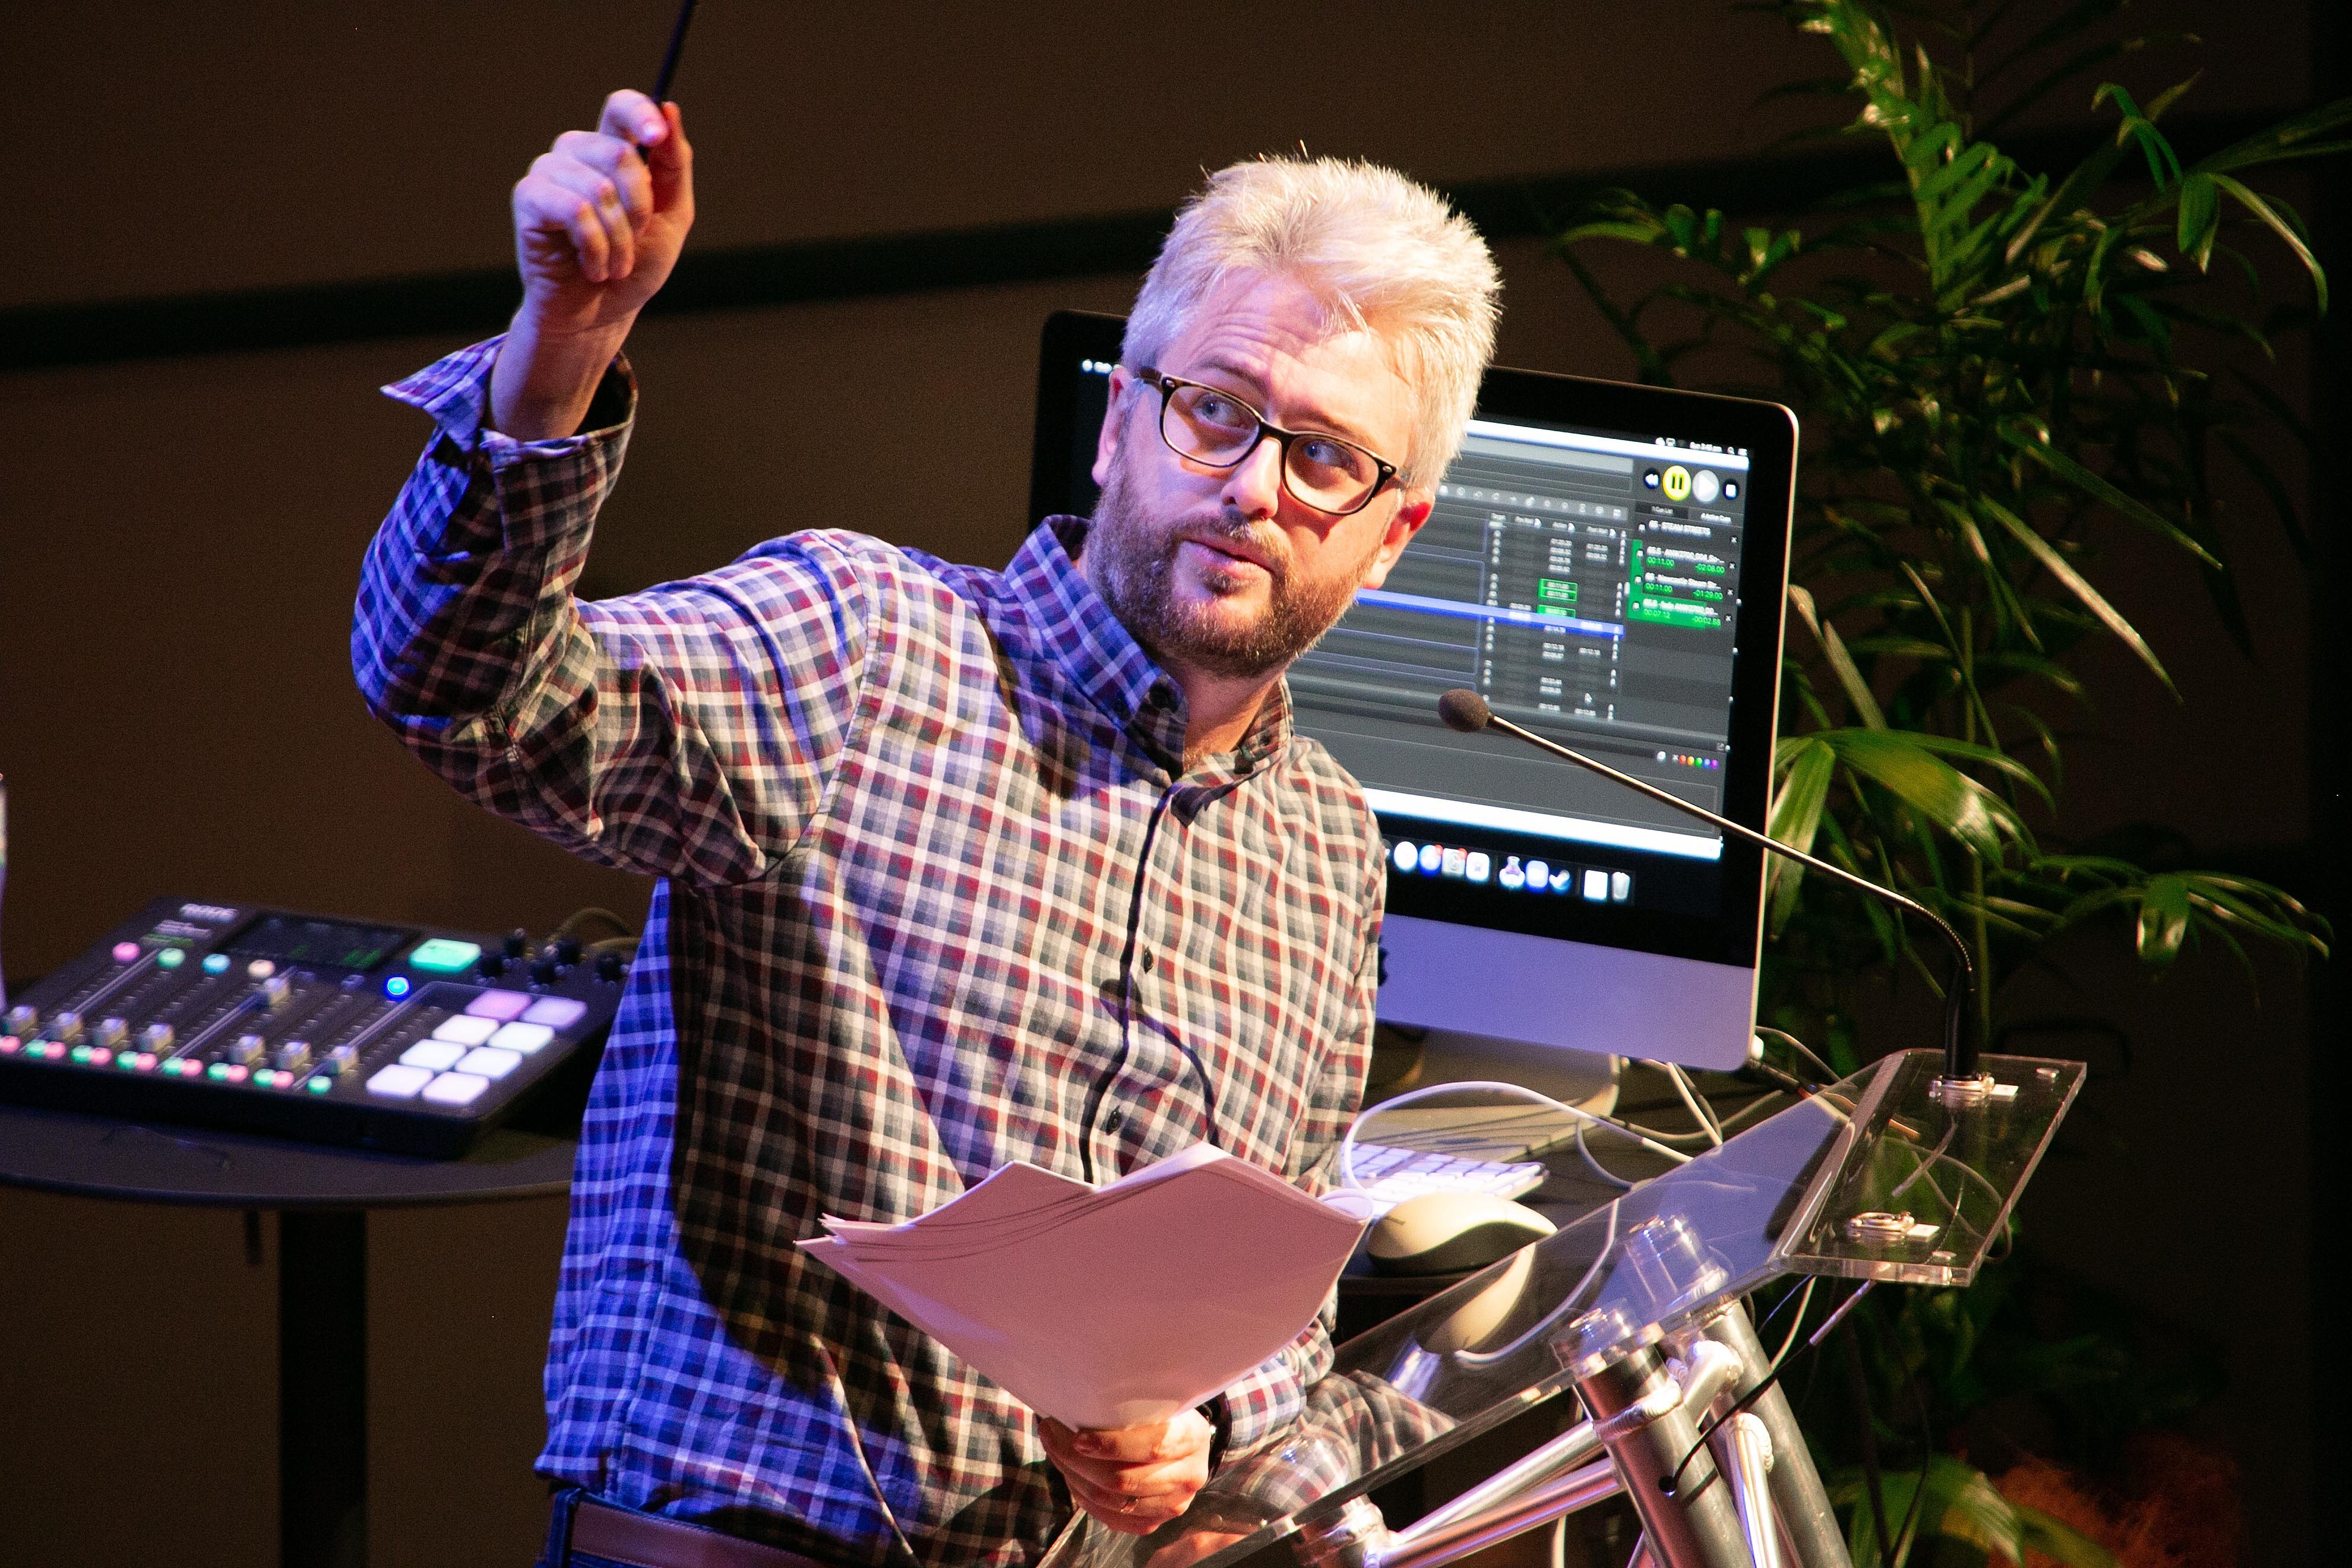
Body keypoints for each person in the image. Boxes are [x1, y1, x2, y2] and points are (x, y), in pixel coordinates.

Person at [354, 88, 1498, 1568]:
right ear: (1119, 423)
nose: (1252, 487)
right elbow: (465, 688)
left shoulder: (1328, 847)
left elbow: (1277, 1324)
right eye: (1216, 410)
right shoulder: (864, 645)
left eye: (1327, 458)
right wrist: (559, 351)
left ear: (1392, 533)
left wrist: (1198, 1432)